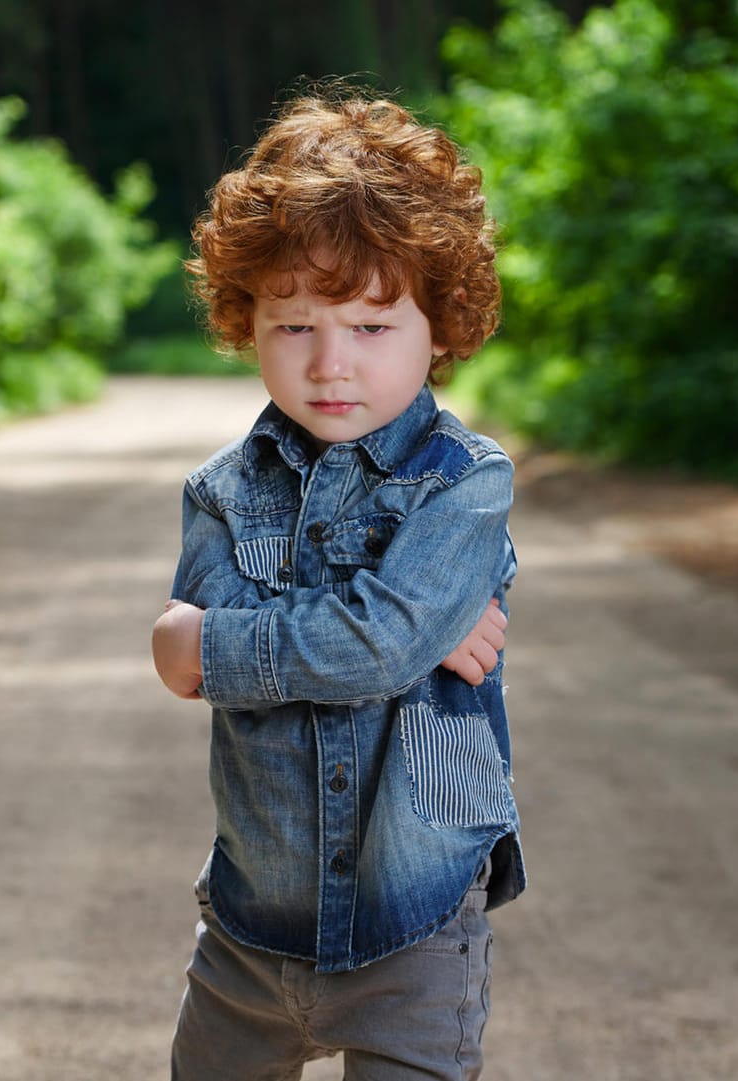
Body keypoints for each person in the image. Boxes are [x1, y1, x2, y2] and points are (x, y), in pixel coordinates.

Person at [150, 87, 524, 1081]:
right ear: (247, 322)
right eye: (293, 326)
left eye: (369, 326)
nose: (329, 365)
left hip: (416, 912)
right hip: (251, 920)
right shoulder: (221, 493)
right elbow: (363, 645)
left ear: (438, 326)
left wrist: (215, 643)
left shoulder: (466, 481)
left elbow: (209, 652)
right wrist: (415, 629)